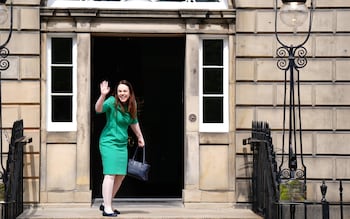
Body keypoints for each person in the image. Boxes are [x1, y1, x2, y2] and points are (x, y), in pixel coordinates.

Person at [95, 80, 145, 217]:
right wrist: (102, 95)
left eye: (125, 91)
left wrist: (140, 137)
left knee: (121, 175)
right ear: (116, 93)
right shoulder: (111, 101)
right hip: (108, 142)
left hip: (122, 144)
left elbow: (134, 122)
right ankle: (107, 209)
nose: (122, 93)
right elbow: (98, 109)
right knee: (110, 174)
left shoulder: (131, 105)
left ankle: (106, 203)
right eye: (120, 91)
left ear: (129, 93)